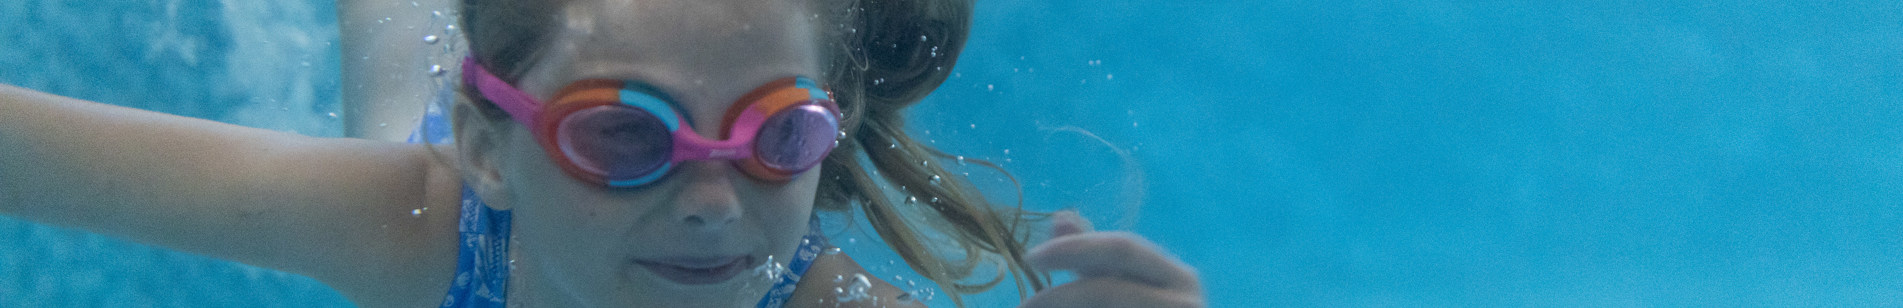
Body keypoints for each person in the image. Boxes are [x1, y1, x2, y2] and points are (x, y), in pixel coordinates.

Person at [0, 0, 1202, 306]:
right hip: (447, 167)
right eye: (625, 138)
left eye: (780, 134)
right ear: (495, 148)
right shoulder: (417, 225)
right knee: (395, 65)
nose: (714, 202)